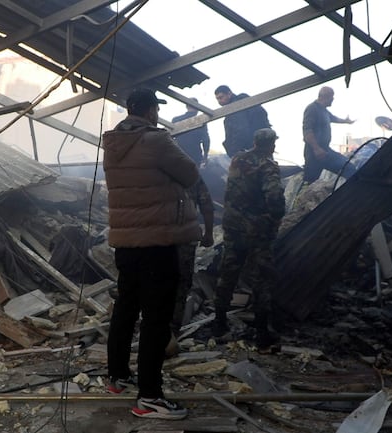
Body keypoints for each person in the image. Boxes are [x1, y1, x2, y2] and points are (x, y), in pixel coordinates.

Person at [102, 88, 202, 420]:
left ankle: (116, 376)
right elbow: (190, 173)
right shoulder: (156, 141)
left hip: (126, 244)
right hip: (157, 243)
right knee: (156, 320)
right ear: (150, 111)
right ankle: (150, 397)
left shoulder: (114, 145)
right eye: (157, 109)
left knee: (126, 309)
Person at [211, 128, 285, 353]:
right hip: (257, 231)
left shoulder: (238, 159)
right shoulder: (268, 165)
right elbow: (274, 197)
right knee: (261, 278)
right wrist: (275, 217)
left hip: (233, 226)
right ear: (271, 144)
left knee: (228, 272)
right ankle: (262, 332)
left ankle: (219, 321)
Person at [168, 174, 214, 356]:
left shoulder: (157, 170)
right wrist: (209, 233)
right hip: (185, 238)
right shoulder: (191, 174)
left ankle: (155, 330)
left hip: (158, 238)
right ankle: (171, 331)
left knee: (158, 283)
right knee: (181, 284)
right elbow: (207, 206)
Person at [302, 86, 357, 183]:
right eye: (332, 97)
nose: (333, 99)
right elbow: (307, 131)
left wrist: (346, 121)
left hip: (325, 150)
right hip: (314, 153)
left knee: (348, 167)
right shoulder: (312, 109)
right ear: (326, 97)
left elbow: (334, 118)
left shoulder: (324, 111)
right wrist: (316, 149)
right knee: (310, 182)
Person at [214, 85, 271, 157]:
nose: (219, 101)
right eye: (217, 99)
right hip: (263, 144)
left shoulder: (236, 107)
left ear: (229, 94)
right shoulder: (246, 102)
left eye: (221, 97)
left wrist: (235, 153)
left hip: (248, 150)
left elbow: (241, 130)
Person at [172, 101, 210, 166]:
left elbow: (170, 138)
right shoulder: (201, 120)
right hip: (195, 155)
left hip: (179, 154)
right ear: (198, 107)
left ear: (186, 106)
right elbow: (206, 140)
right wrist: (205, 156)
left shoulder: (176, 120)